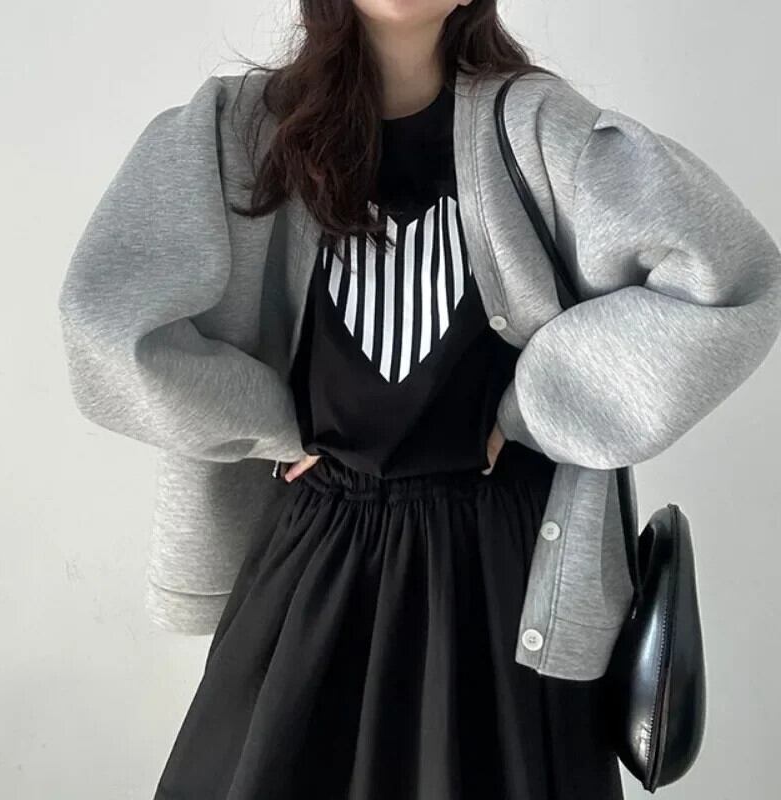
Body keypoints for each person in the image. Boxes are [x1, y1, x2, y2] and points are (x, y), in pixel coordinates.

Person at [57, 1, 781, 799]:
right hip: (316, 563)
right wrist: (263, 423)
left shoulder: (538, 130)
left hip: (500, 579)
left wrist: (539, 405)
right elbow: (107, 321)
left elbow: (730, 280)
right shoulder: (242, 130)